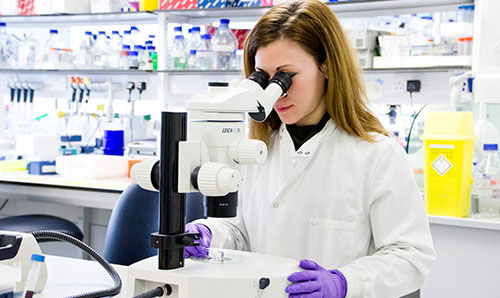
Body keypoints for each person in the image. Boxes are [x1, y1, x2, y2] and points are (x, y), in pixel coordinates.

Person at [185, 1, 436, 297]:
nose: (275, 93)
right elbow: (243, 233)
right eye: (263, 78)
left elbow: (410, 256)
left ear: (326, 66)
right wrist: (211, 234)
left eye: (285, 76)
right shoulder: (256, 150)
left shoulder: (377, 155)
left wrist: (345, 283)